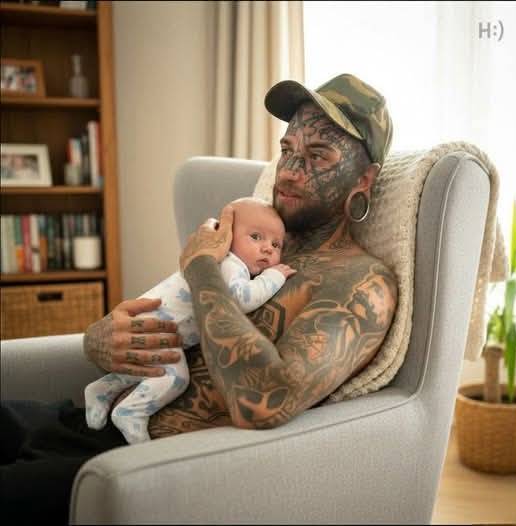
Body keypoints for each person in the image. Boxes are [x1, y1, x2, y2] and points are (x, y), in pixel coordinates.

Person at [1, 73, 398, 522]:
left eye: (318, 154)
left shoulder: (361, 284)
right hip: (81, 418)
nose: (289, 170)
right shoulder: (255, 237)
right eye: (287, 149)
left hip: (126, 464)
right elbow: (167, 314)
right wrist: (98, 341)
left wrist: (202, 267)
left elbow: (266, 402)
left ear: (365, 178)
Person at [84, 197, 296, 444]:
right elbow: (241, 299)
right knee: (175, 377)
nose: (268, 248)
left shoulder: (229, 265)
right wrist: (273, 277)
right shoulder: (230, 263)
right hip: (157, 326)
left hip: (153, 324)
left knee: (150, 368)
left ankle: (103, 389)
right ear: (225, 235)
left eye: (276, 244)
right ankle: (131, 411)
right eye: (256, 237)